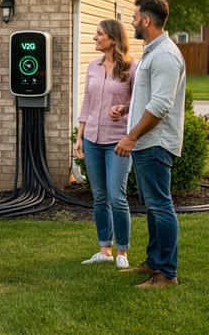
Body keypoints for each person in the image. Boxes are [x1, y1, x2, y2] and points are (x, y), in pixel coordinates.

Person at [112, 0, 186, 288]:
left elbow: (161, 106)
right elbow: (150, 97)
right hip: (146, 143)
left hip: (155, 144)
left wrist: (131, 136)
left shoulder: (166, 55)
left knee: (160, 205)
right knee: (153, 206)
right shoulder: (152, 53)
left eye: (134, 16)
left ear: (146, 20)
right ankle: (153, 263)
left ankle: (167, 274)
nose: (131, 21)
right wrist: (128, 108)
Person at [74, 19, 136, 270]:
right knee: (99, 196)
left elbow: (139, 102)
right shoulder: (92, 66)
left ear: (112, 38)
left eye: (99, 34)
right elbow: (87, 105)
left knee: (116, 196)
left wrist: (123, 109)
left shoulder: (133, 68)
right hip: (92, 140)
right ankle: (104, 249)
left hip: (118, 141)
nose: (94, 38)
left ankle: (122, 251)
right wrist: (80, 136)